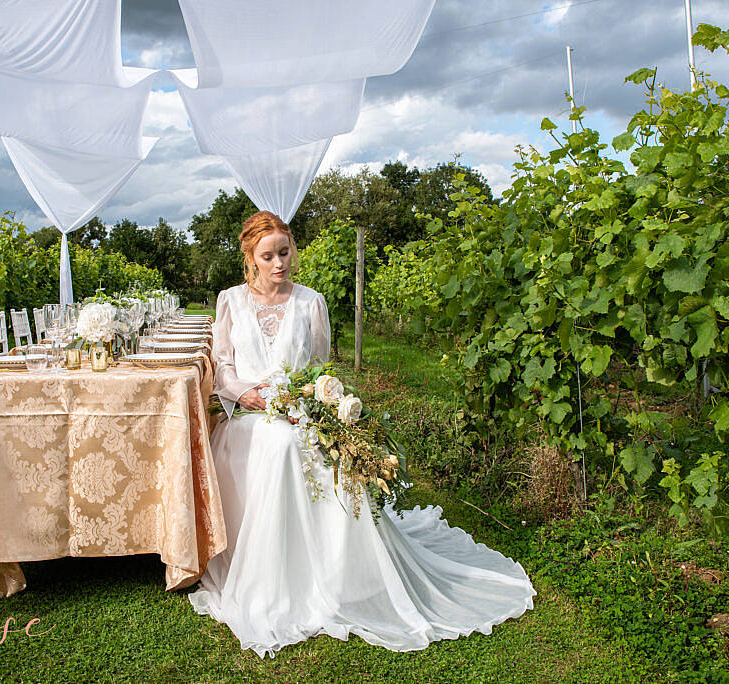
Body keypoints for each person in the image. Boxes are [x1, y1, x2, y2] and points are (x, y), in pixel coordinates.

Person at [189, 210, 536, 657]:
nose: (280, 263)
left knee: (307, 444)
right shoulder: (231, 300)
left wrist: (309, 402)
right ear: (250, 257)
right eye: (268, 256)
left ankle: (338, 576)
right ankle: (272, 580)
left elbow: (319, 366)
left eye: (285, 252)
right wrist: (249, 395)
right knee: (278, 445)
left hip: (301, 409)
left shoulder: (311, 302)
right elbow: (224, 373)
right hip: (250, 414)